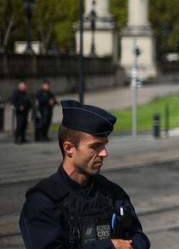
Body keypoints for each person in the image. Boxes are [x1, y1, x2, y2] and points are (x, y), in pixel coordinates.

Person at [19, 99, 150, 249]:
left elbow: (139, 238)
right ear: (69, 148)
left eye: (104, 144)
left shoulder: (113, 193)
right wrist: (110, 246)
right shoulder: (43, 202)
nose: (104, 153)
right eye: (95, 146)